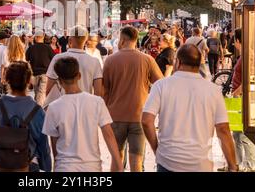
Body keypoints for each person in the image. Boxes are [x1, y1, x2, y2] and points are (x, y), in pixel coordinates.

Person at [142, 44, 238, 172]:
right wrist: (232, 166)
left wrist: (157, 150)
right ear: (199, 64)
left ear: (178, 62)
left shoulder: (161, 86)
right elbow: (223, 130)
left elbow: (146, 121)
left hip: (168, 161)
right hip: (201, 164)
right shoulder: (213, 91)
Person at [43, 57, 123, 172]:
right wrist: (118, 163)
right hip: (92, 167)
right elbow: (109, 135)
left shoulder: (53, 107)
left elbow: (54, 144)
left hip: (64, 167)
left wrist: (56, 166)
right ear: (79, 76)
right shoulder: (97, 102)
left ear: (59, 81)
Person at [103, 26, 163, 172]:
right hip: (139, 115)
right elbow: (161, 84)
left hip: (115, 116)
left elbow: (104, 91)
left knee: (117, 159)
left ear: (122, 40)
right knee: (137, 160)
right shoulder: (147, 60)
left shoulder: (110, 61)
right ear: (136, 40)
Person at [0, 61, 52, 172]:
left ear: (7, 80)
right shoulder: (37, 111)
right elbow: (43, 148)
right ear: (29, 80)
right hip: (27, 167)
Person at [46, 26, 103, 101]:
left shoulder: (58, 58)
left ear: (69, 40)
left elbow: (48, 88)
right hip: (85, 106)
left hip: (63, 106)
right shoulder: (94, 61)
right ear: (85, 41)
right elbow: (98, 92)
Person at [229, 29, 255, 171]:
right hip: (239, 98)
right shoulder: (244, 55)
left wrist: (236, 92)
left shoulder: (248, 55)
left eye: (235, 41)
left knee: (245, 135)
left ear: (238, 41)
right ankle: (238, 164)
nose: (234, 44)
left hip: (243, 98)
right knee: (236, 133)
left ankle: (251, 166)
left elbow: (249, 77)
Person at [25, 30, 55, 106]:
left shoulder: (31, 48)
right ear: (43, 37)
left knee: (38, 93)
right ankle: (38, 110)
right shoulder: (48, 48)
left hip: (34, 74)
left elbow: (26, 60)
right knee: (40, 94)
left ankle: (37, 110)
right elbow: (54, 60)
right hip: (45, 73)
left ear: (35, 38)